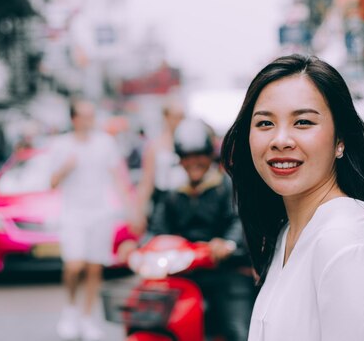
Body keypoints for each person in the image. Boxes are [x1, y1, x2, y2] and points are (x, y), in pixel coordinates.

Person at [220, 54, 364, 341]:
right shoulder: (289, 232)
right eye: (265, 123)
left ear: (340, 140)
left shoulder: (343, 243)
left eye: (303, 122)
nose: (280, 140)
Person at [119, 118, 256, 341]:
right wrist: (137, 245)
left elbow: (237, 221)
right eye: (186, 157)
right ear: (180, 160)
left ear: (210, 156)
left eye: (199, 155)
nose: (193, 162)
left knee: (238, 331)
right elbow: (158, 230)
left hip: (226, 272)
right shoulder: (173, 194)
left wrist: (226, 244)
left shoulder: (227, 187)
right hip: (182, 273)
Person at [50, 98, 134, 341]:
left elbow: (117, 176)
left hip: (100, 214)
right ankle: (70, 310)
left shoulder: (105, 143)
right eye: (84, 116)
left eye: (91, 115)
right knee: (74, 266)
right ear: (74, 119)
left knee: (94, 268)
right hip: (73, 214)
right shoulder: (61, 145)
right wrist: (67, 167)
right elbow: (52, 183)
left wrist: (129, 207)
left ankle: (87, 318)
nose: (89, 120)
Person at [133, 97, 187, 233]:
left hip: (186, 199)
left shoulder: (188, 143)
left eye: (182, 117)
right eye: (175, 117)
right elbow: (147, 181)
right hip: (163, 200)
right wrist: (139, 211)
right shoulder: (155, 146)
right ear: (166, 117)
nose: (179, 121)